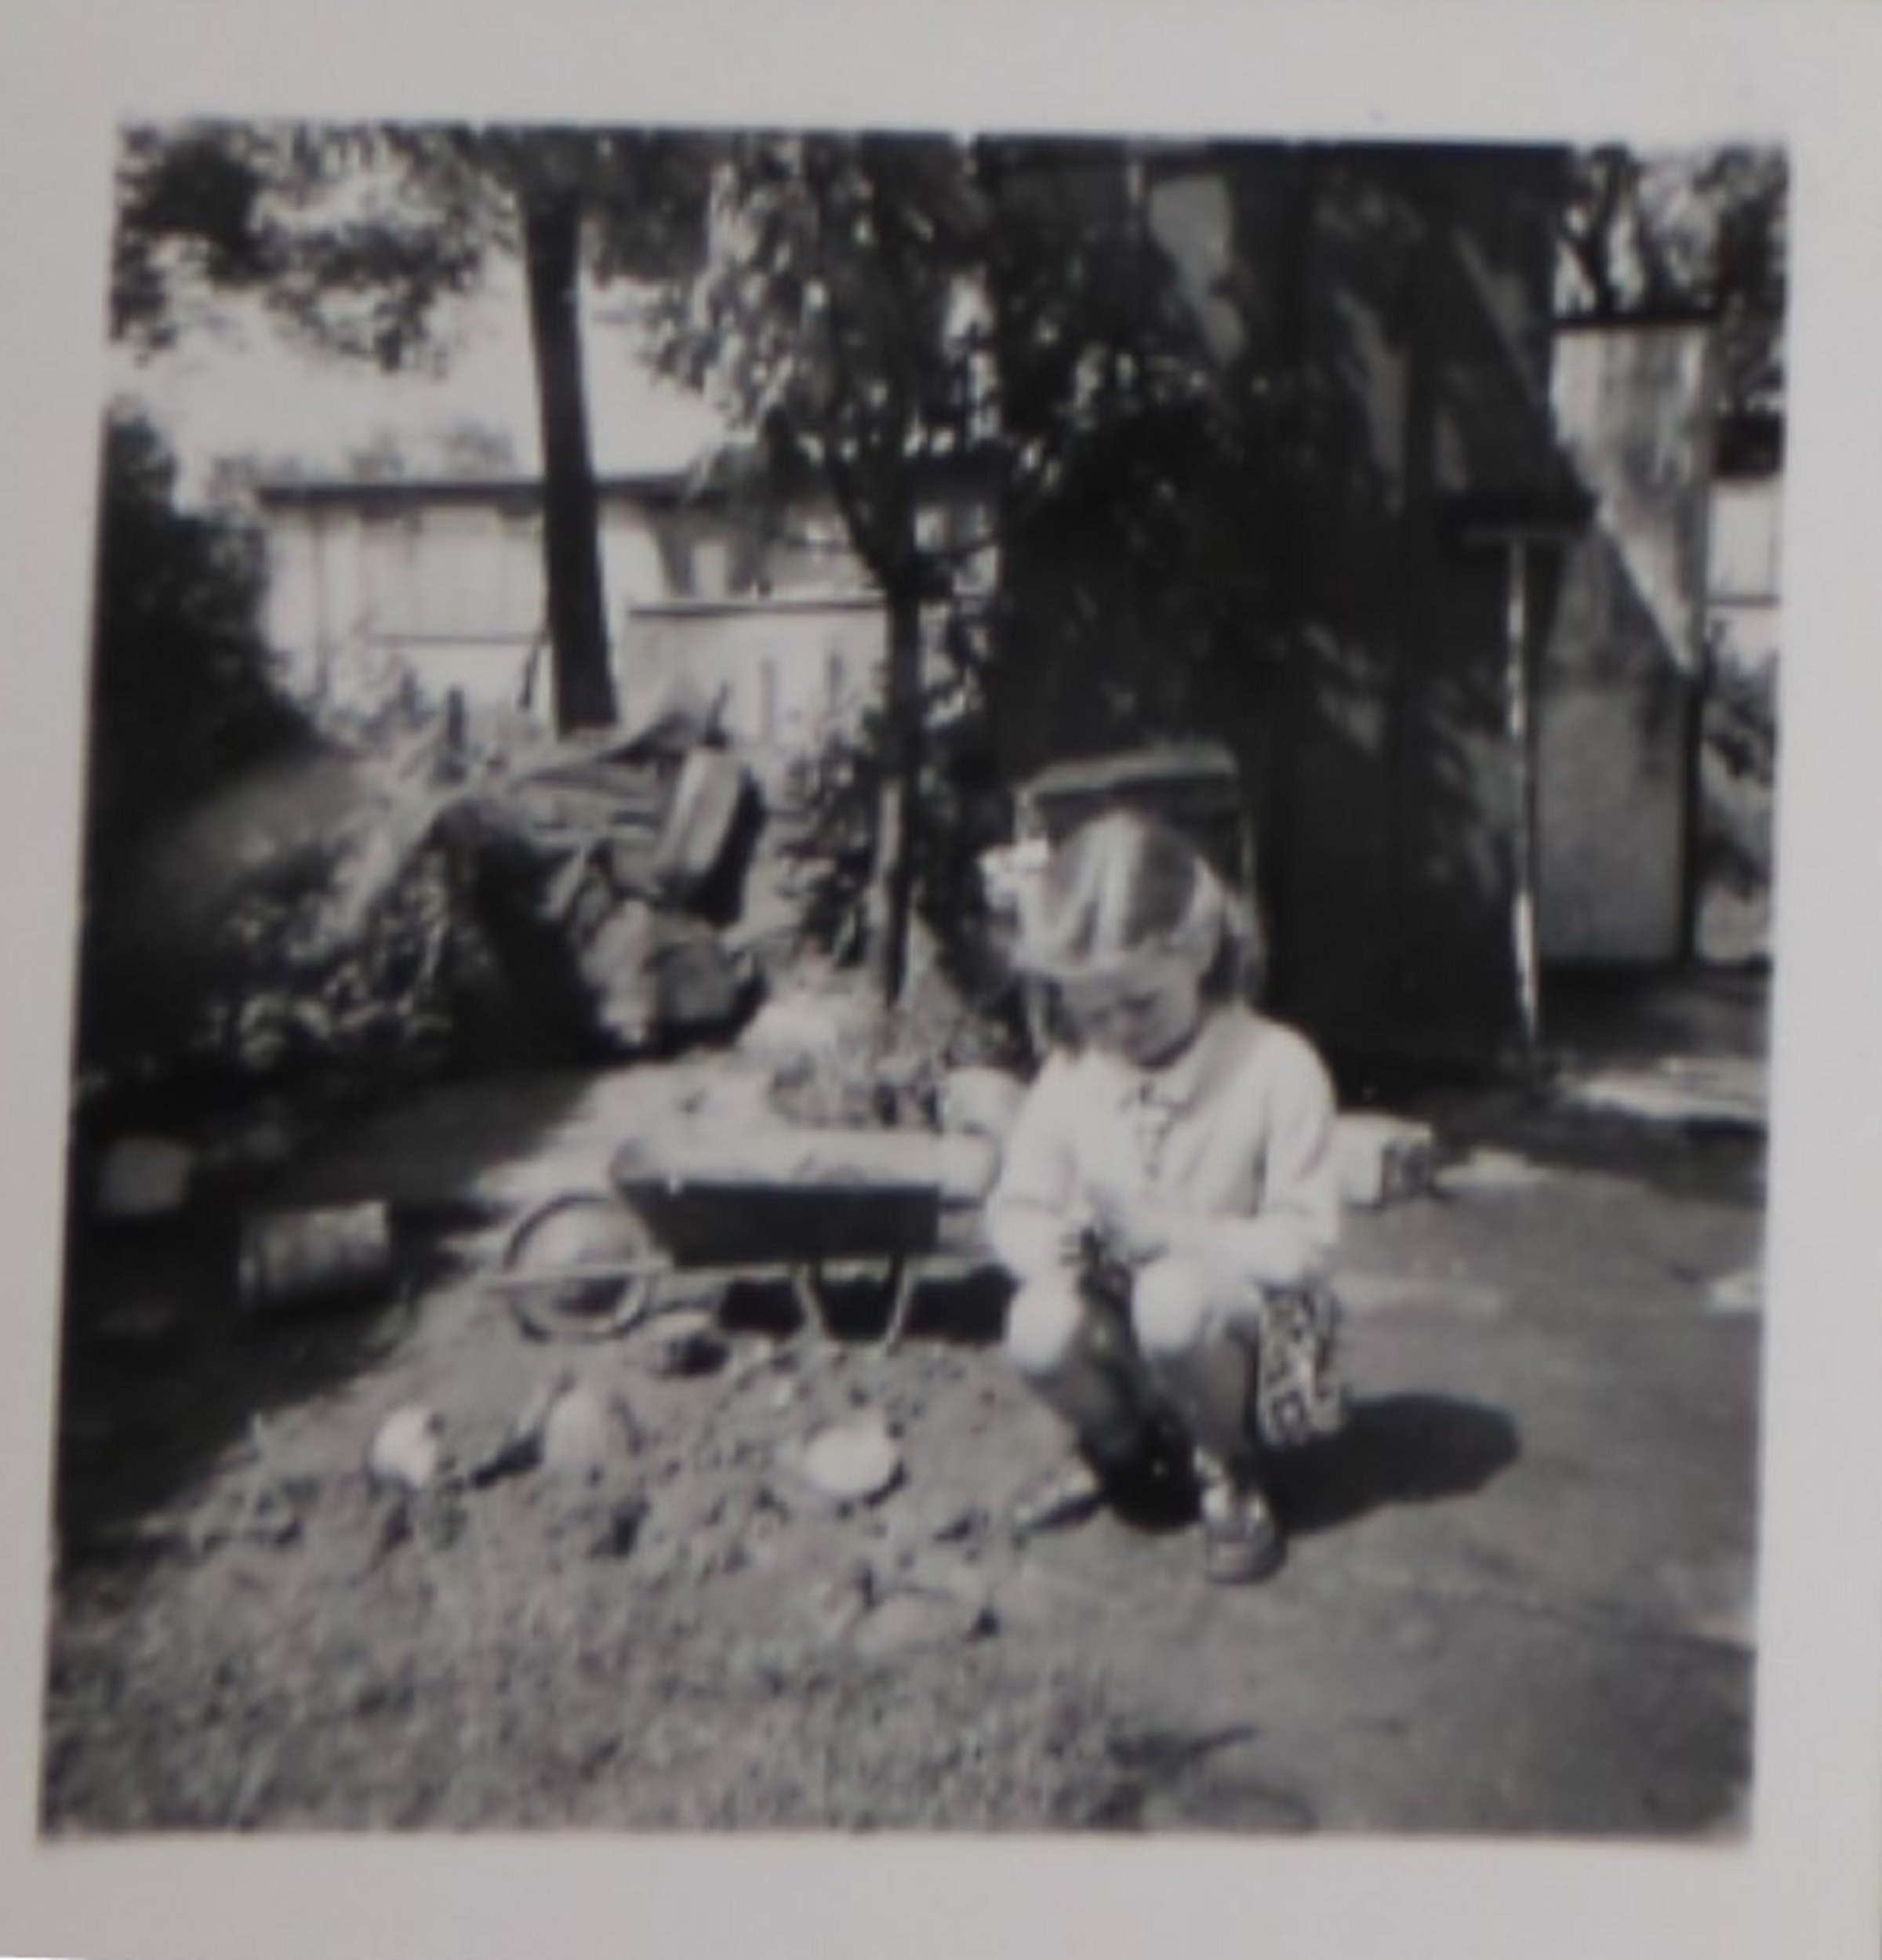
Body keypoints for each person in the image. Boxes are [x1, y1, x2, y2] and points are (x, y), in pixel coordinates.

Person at [985, 808, 1346, 1584]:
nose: (1118, 1029)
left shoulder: (1273, 1067)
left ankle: (1228, 1463)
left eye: (1141, 1002)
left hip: (1241, 1331)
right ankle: (1125, 1450)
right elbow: (1015, 1206)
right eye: (1091, 1008)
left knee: (1174, 1299)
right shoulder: (1078, 1072)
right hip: (1125, 1317)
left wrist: (1177, 1232)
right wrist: (1045, 1243)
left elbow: (1306, 1248)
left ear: (1202, 948)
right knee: (1037, 1321)